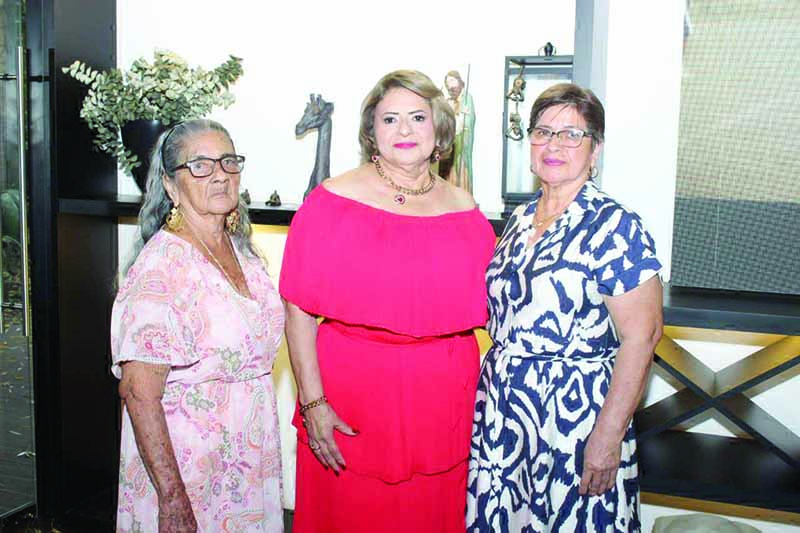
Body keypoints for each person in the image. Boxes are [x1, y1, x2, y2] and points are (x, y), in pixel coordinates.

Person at [280, 70, 495, 532]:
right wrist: (313, 403)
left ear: (439, 128)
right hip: (351, 400)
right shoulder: (330, 202)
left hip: (443, 405)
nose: (404, 130)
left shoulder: (466, 210)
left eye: (417, 117)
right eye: (390, 119)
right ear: (371, 131)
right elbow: (298, 310)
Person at [467, 83, 663, 532]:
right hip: (503, 413)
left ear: (595, 150)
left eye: (572, 134)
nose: (553, 145)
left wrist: (608, 437)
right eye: (542, 132)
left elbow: (643, 336)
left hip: (575, 419)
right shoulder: (520, 218)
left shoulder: (615, 225)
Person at [110, 119, 285, 532]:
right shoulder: (161, 268)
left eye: (228, 162)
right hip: (188, 472)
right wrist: (171, 498)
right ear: (171, 186)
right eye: (200, 166)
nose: (220, 175)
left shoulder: (243, 252)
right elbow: (139, 393)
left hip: (246, 464)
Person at [440, 70, 476, 194]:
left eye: (452, 81)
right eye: (447, 82)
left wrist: (461, 117)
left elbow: (468, 121)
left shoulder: (467, 99)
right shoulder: (447, 101)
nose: (450, 85)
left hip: (461, 145)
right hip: (449, 145)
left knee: (461, 169)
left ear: (460, 82)